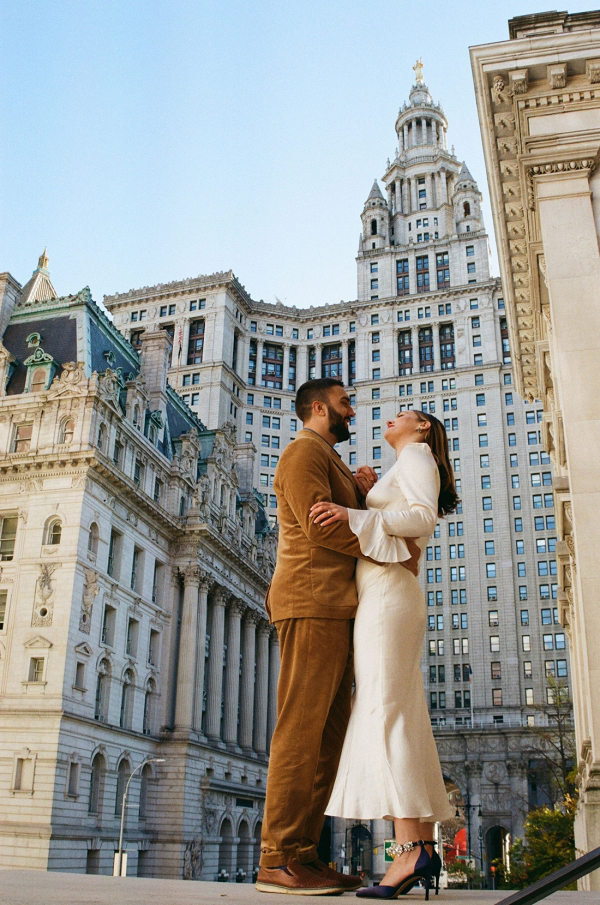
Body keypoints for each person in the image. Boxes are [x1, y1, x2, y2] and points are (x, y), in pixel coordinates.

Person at [256, 378, 419, 896]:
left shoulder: (327, 458)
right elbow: (318, 526)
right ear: (321, 408)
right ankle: (276, 858)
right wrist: (395, 554)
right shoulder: (302, 453)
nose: (353, 411)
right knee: (299, 732)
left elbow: (346, 513)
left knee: (328, 740)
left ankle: (304, 854)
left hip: (337, 608)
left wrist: (360, 487)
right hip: (309, 602)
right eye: (346, 403)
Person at [311, 408, 459, 900]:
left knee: (384, 713)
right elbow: (400, 513)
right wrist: (367, 489)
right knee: (398, 715)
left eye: (402, 415)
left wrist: (355, 513)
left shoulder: (419, 455)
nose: (389, 419)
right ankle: (417, 846)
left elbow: (420, 517)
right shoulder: (407, 462)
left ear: (422, 428)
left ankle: (410, 853)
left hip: (389, 595)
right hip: (385, 592)